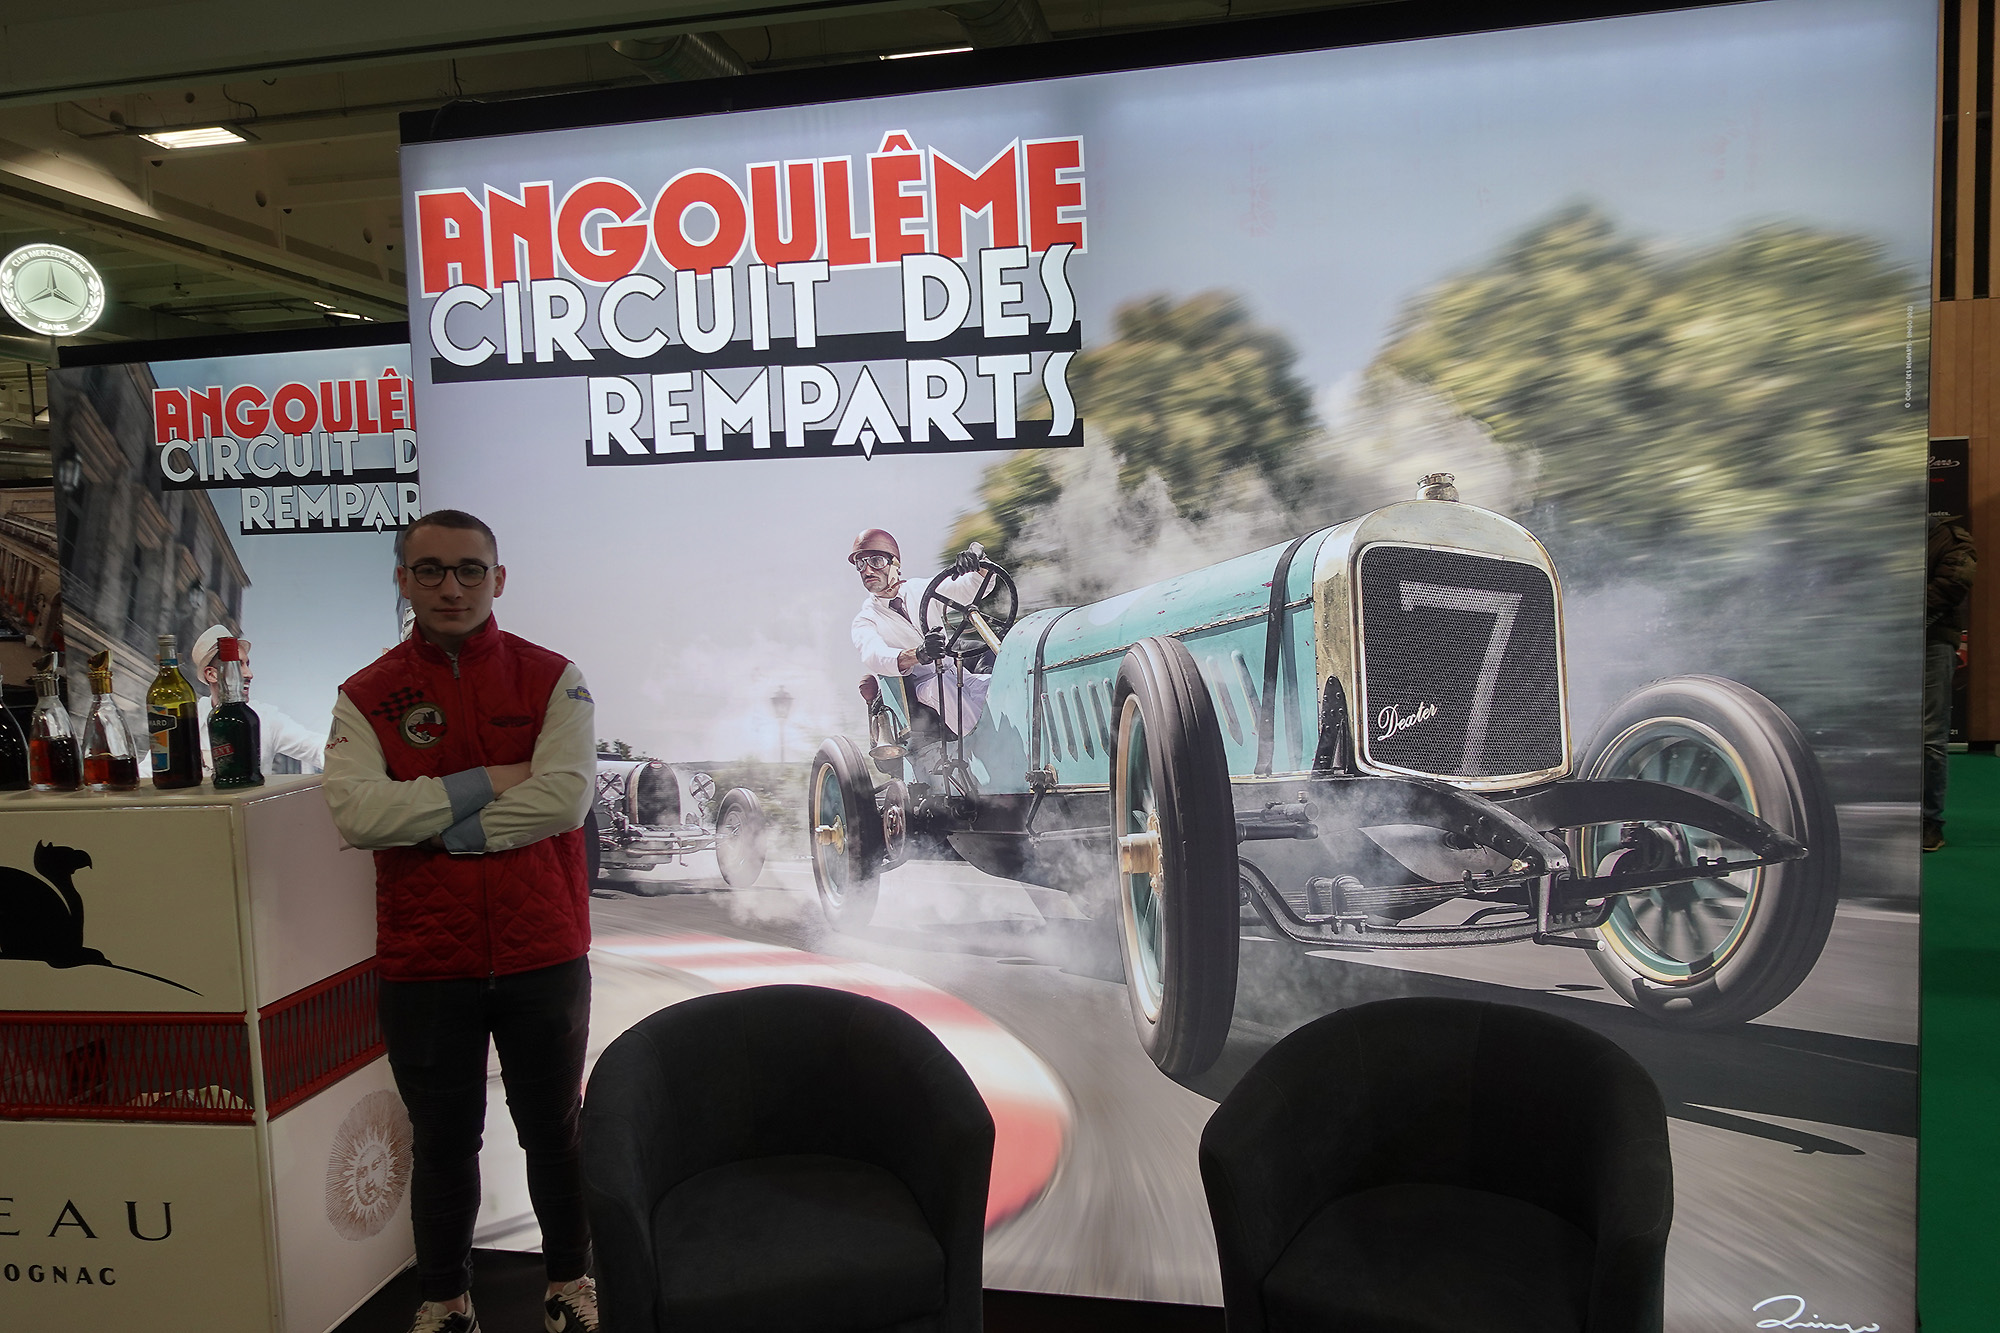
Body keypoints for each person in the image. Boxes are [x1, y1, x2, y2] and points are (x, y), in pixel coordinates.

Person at [322, 509, 598, 1333]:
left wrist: (444, 829)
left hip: (543, 951)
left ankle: (570, 1284)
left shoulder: (553, 677)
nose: (452, 586)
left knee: (555, 1133)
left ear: (498, 579)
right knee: (442, 1142)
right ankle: (445, 1300)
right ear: (403, 580)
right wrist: (491, 779)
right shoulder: (365, 695)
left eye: (470, 569)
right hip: (424, 962)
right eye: (431, 569)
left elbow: (565, 796)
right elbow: (358, 813)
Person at [849, 528, 992, 737]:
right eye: (860, 564)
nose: (867, 571)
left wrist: (978, 562)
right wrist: (919, 654)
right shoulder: (865, 620)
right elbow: (874, 655)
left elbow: (974, 587)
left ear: (895, 564)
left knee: (1003, 685)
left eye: (876, 561)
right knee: (944, 689)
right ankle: (981, 744)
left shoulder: (921, 588)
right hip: (923, 686)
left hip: (958, 675)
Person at [191, 623, 328, 774]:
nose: (249, 674)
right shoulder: (190, 722)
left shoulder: (264, 718)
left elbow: (318, 749)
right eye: (237, 665)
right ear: (212, 675)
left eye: (247, 664)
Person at [1924, 511, 1977, 852]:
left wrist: (1903, 616)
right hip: (1882, 641)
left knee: (1929, 736)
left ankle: (1929, 822)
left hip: (1932, 643)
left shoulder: (1953, 539)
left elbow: (1952, 586)